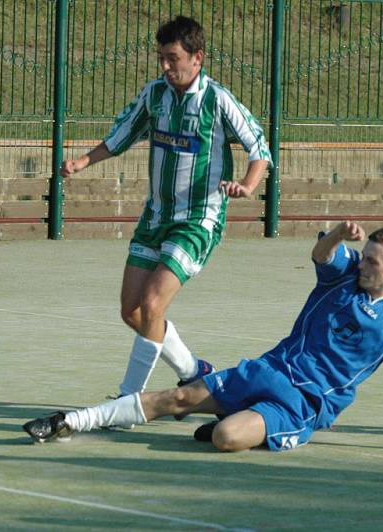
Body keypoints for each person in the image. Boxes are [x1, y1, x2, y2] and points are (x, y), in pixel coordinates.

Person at [23, 222, 383, 454]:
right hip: (270, 368)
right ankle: (70, 420)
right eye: (364, 256)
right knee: (177, 400)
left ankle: (227, 415)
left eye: (372, 262)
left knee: (227, 438)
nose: (362, 266)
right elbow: (321, 253)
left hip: (306, 402)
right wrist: (339, 233)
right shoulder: (342, 274)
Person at [59, 16, 271, 398]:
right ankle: (194, 371)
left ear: (197, 58)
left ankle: (128, 400)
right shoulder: (155, 94)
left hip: (197, 220)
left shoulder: (217, 100)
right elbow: (121, 136)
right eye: (161, 58)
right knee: (133, 312)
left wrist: (247, 185)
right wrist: (82, 162)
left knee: (153, 303)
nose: (166, 66)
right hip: (155, 217)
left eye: (173, 58)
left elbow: (260, 148)